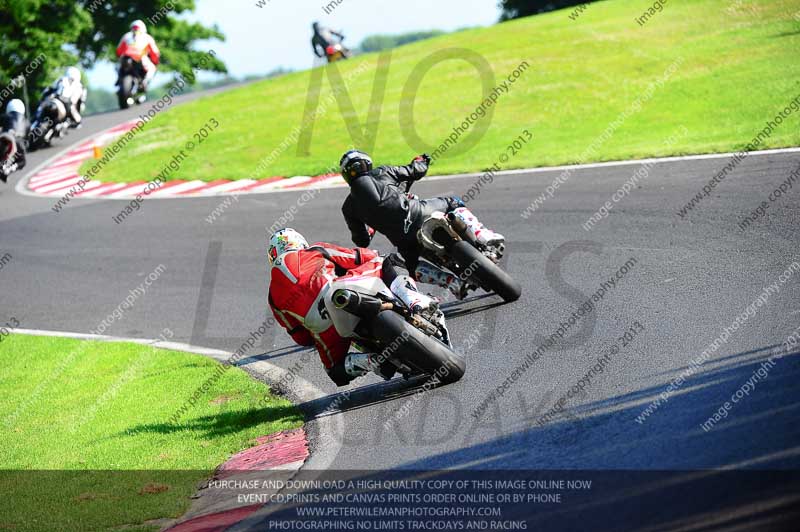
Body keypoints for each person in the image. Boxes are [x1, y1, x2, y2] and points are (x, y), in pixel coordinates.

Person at [267, 228, 440, 386]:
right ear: (299, 242)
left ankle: (370, 361)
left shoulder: (272, 297)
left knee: (335, 371)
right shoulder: (314, 249)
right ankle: (416, 302)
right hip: (338, 290)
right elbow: (359, 256)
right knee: (384, 261)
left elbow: (301, 339)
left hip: (324, 326)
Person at [339, 150, 505, 299]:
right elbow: (415, 171)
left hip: (403, 239)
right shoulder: (382, 171)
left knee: (409, 265)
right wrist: (422, 160)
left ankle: (452, 283)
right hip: (419, 212)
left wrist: (372, 225)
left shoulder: (348, 207)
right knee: (452, 202)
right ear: (366, 164)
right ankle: (484, 237)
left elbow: (362, 241)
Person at [116, 19, 161, 94]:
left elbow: (118, 51)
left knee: (117, 67)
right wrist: (155, 61)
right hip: (140, 59)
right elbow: (155, 53)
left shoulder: (126, 36)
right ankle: (145, 82)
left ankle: (119, 80)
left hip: (125, 58)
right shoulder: (147, 37)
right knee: (152, 68)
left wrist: (119, 56)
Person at [0, 99, 28, 183]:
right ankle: (7, 170)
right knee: (22, 162)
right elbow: (28, 138)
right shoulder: (27, 122)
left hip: (6, 140)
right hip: (19, 144)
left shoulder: (5, 116)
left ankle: (5, 169)